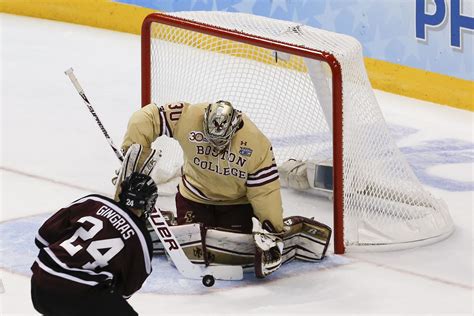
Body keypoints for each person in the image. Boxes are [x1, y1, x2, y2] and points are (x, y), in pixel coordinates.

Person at [119, 100, 284, 278]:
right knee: (191, 249)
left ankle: (171, 223)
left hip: (235, 204)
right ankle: (171, 223)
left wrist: (272, 230)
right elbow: (145, 118)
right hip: (193, 197)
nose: (215, 146)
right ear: (204, 121)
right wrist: (134, 161)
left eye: (221, 140)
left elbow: (265, 192)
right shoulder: (189, 117)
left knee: (231, 253)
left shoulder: (255, 143)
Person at [30, 172, 158, 316]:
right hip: (78, 292)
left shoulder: (92, 202)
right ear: (149, 203)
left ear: (121, 191)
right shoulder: (141, 240)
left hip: (40, 281)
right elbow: (125, 292)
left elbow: (42, 237)